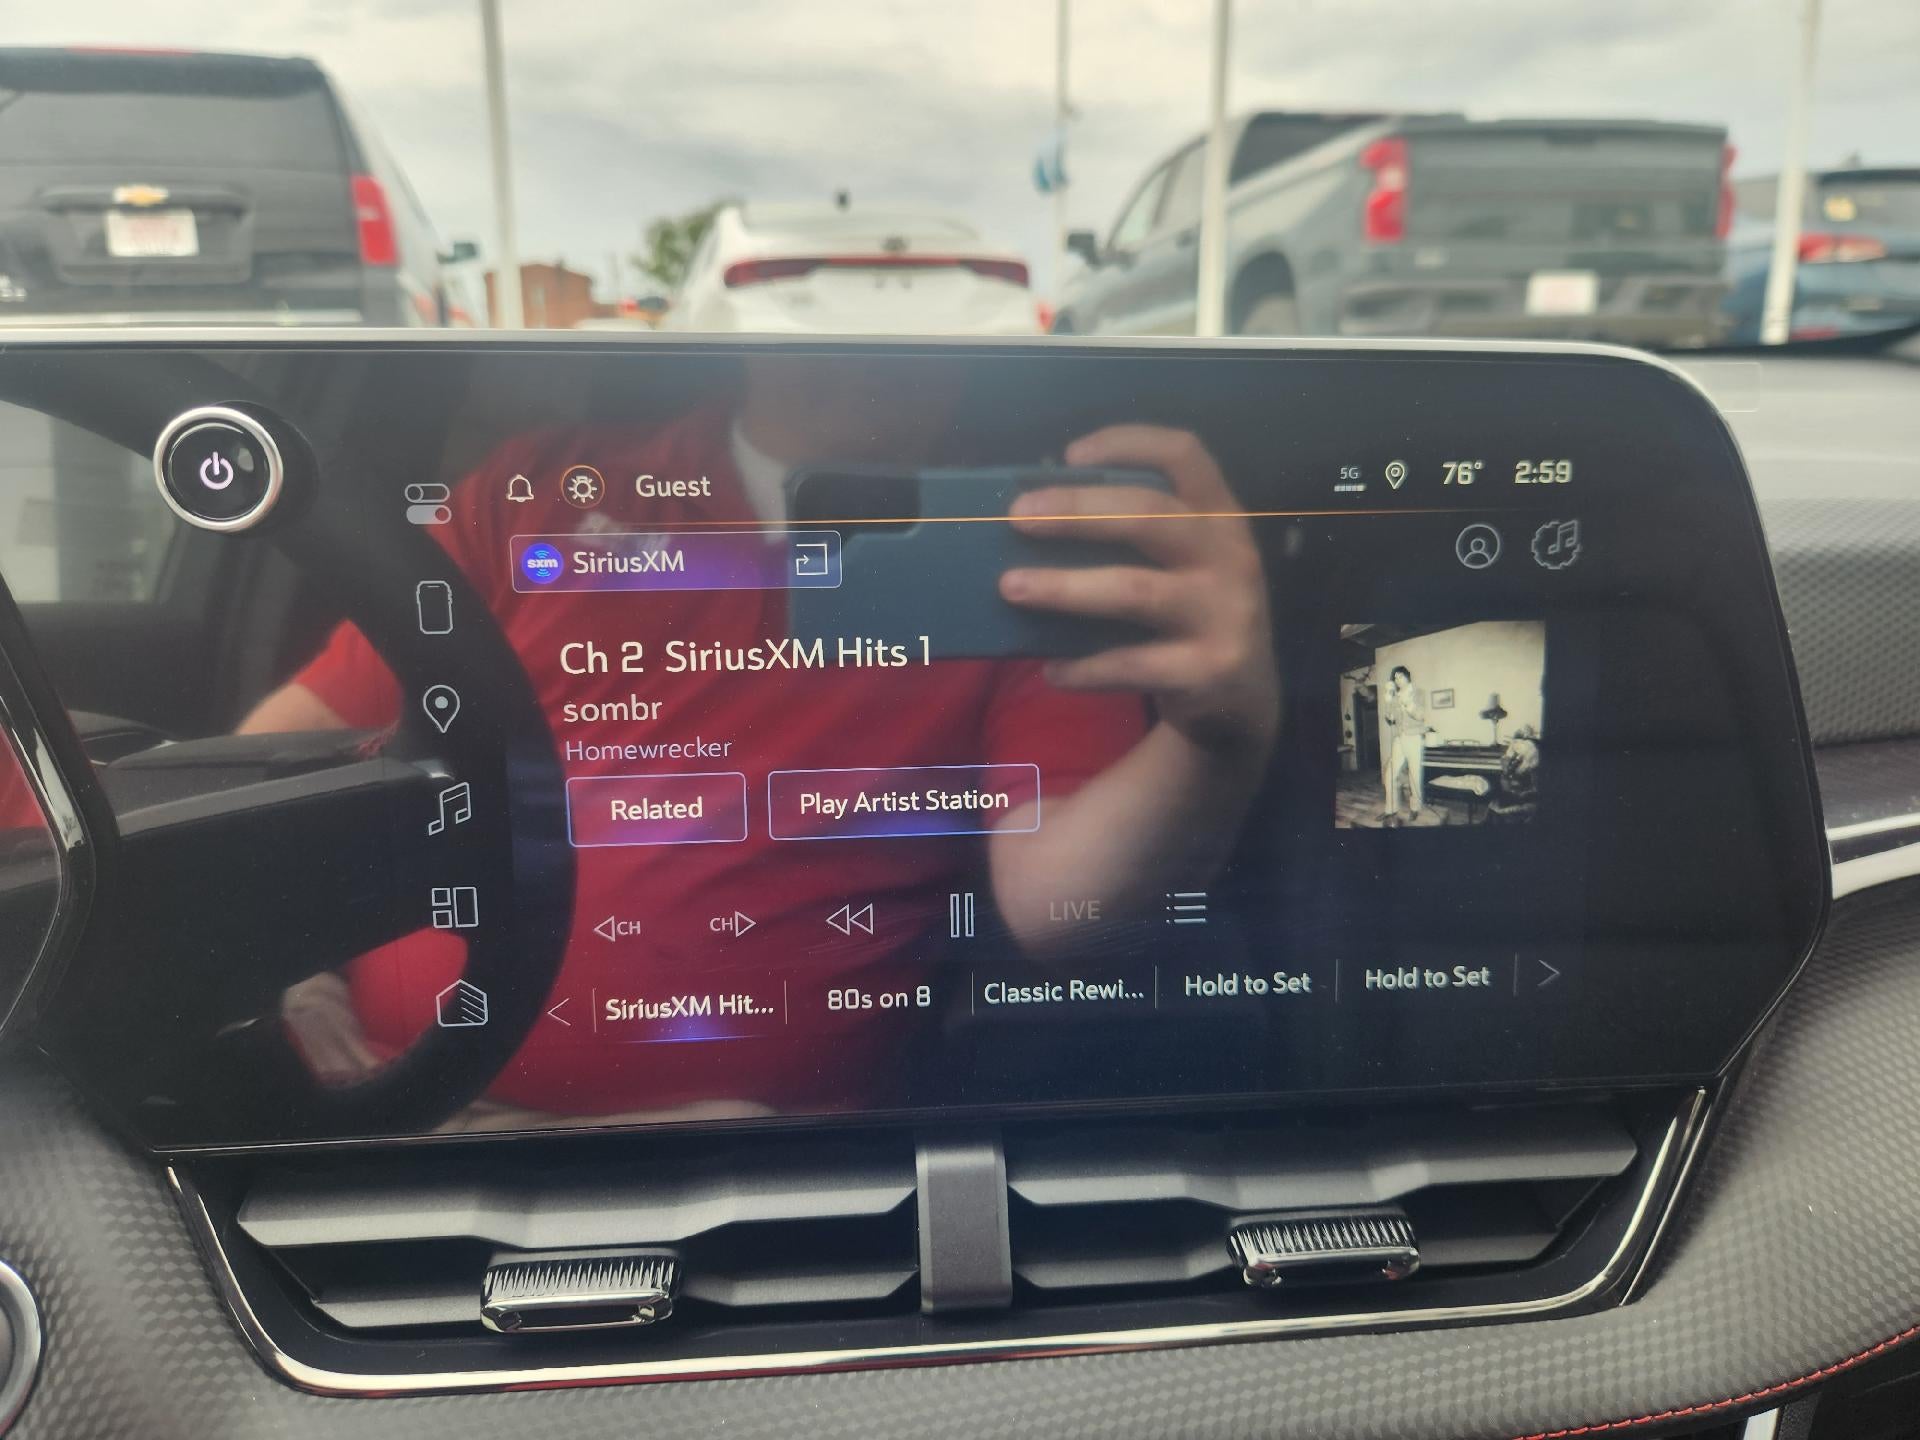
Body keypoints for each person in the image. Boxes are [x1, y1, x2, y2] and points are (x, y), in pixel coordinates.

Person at [243, 357, 1281, 1120]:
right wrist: (288, 974)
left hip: (755, 1168)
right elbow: (274, 759)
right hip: (384, 1111)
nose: (872, 334)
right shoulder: (538, 486)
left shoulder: (1018, 555)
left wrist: (1218, 738)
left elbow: (1059, 906)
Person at [1381, 664, 1428, 823]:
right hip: (1399, 739)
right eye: (1395, 678)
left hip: (1414, 737)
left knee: (1414, 774)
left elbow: (1420, 715)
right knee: (1390, 774)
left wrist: (1407, 703)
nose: (1397, 680)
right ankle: (1390, 809)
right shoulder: (1395, 696)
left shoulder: (1418, 693)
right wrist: (1388, 699)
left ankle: (1415, 808)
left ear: (1407, 676)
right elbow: (1390, 718)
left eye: (1400, 676)